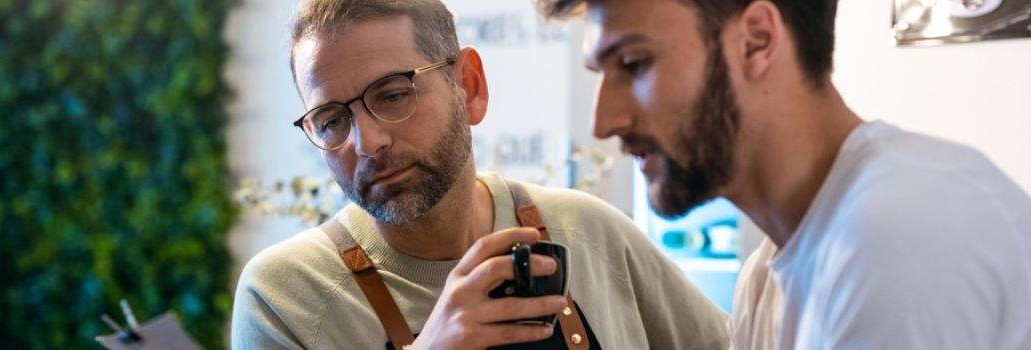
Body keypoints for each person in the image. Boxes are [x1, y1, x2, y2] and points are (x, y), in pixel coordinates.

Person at [536, 0, 1031, 349]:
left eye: (633, 64)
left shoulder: (897, 237)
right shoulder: (767, 275)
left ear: (756, 39)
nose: (605, 122)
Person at [230, 0, 731, 349]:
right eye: (333, 120)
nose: (368, 142)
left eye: (392, 94)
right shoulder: (285, 297)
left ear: (468, 86)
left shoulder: (588, 232)